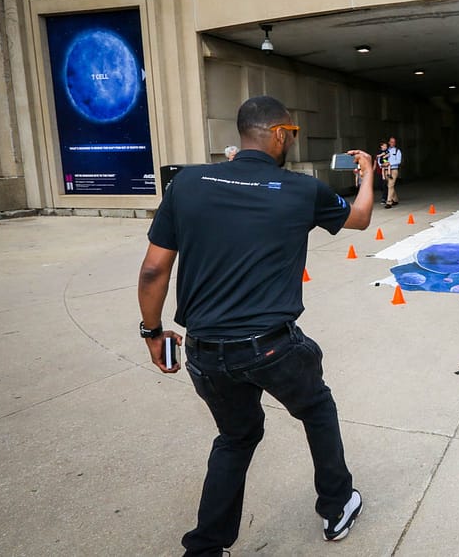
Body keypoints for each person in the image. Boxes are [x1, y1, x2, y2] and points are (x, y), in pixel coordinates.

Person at [137, 96, 373, 554]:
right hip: (272, 348)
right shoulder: (302, 189)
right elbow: (360, 218)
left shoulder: (186, 183)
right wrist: (369, 178)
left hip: (205, 350)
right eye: (293, 135)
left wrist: (153, 332)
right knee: (317, 409)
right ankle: (336, 505)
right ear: (281, 134)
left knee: (236, 436)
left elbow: (153, 269)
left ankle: (205, 547)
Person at [385, 136, 402, 208]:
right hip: (386, 169)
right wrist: (382, 165)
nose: (393, 143)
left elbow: (398, 161)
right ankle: (395, 199)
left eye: (394, 142)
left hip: (394, 169)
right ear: (389, 142)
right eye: (391, 142)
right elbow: (381, 159)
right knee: (389, 185)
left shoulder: (397, 151)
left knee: (390, 185)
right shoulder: (385, 150)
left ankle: (389, 202)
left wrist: (390, 163)